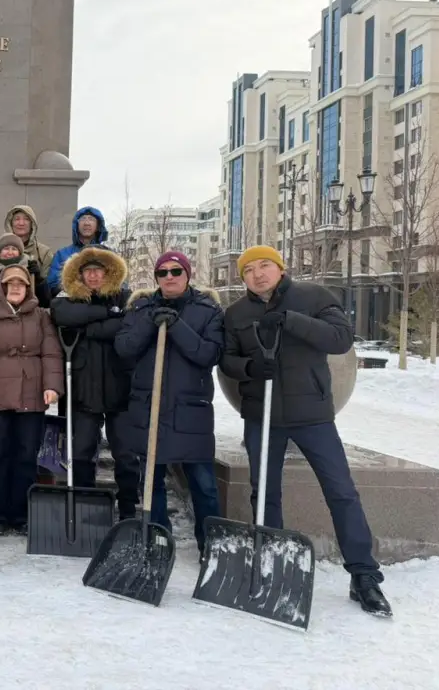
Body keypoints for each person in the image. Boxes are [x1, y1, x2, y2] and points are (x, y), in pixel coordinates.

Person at [220, 245, 392, 617]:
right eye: (248, 269)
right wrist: (250, 368)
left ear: (280, 268)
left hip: (312, 415)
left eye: (265, 265)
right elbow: (227, 359)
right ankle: (271, 562)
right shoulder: (235, 314)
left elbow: (340, 338)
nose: (258, 274)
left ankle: (363, 574)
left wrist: (291, 320)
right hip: (262, 416)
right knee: (264, 493)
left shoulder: (314, 297)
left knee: (341, 491)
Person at [114, 251, 223, 560]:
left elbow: (209, 355)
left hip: (190, 411)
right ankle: (159, 540)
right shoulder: (140, 308)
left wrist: (177, 326)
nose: (169, 277)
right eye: (162, 272)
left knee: (203, 484)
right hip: (149, 407)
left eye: (176, 271)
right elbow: (124, 348)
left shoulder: (208, 310)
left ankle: (210, 545)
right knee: (152, 483)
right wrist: (150, 324)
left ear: (188, 274)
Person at [0, 264, 64, 535]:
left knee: (26, 456)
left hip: (31, 393)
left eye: (20, 284)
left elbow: (51, 353)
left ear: (28, 287)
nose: (15, 288)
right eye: (10, 283)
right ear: (1, 287)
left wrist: (52, 385)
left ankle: (21, 515)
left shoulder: (41, 317)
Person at [49, 244, 141, 519]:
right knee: (81, 451)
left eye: (98, 270)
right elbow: (62, 314)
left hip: (121, 389)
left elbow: (129, 324)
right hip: (83, 388)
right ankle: (84, 503)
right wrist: (107, 313)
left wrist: (88, 327)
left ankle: (128, 507)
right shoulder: (69, 298)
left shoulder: (126, 298)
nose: (93, 275)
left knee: (126, 453)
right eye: (87, 270)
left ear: (109, 272)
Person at [47, 206, 108, 293]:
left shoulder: (108, 255)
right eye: (83, 219)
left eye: (91, 219)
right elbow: (53, 284)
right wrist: (77, 289)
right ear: (76, 225)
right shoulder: (62, 254)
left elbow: (119, 281)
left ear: (98, 226)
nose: (87, 223)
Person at [0, 233, 51, 307]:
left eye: (14, 249)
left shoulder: (29, 270)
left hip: (25, 311)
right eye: (6, 249)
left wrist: (38, 280)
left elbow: (45, 302)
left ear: (19, 252)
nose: (10, 253)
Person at [4, 205, 53, 280]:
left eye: (26, 219)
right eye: (17, 219)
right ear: (10, 223)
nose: (21, 223)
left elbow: (49, 283)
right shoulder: (3, 249)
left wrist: (38, 279)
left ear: (32, 224)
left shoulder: (44, 253)